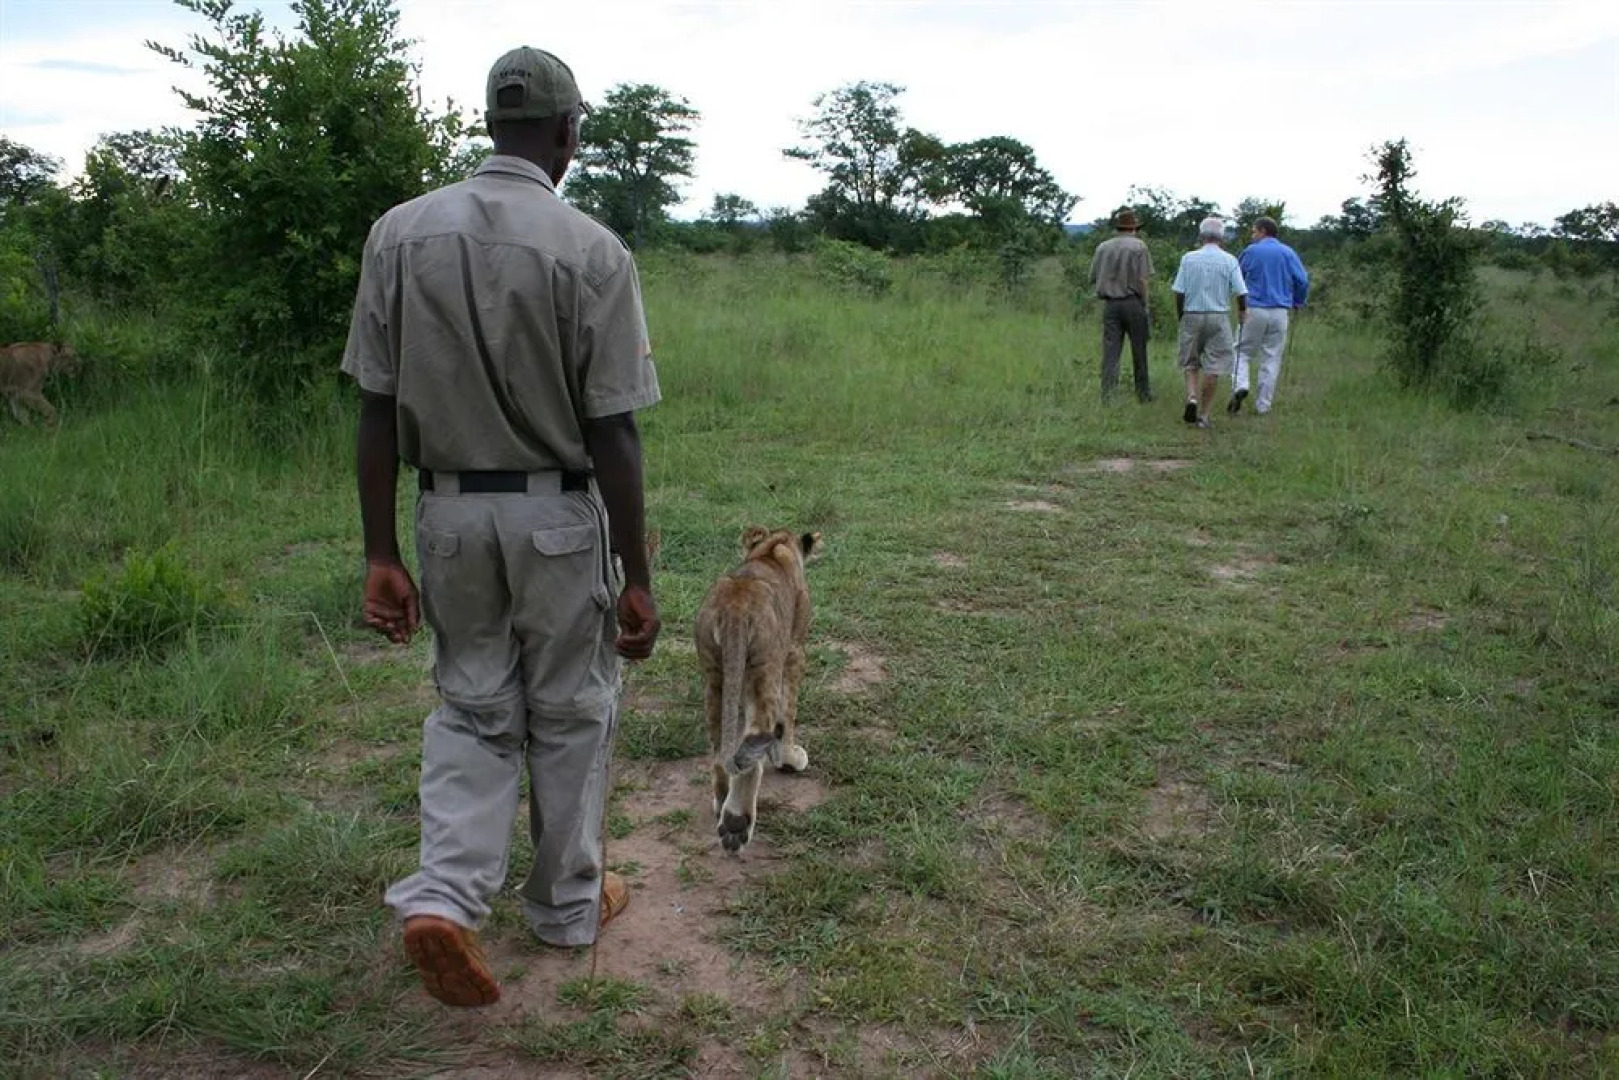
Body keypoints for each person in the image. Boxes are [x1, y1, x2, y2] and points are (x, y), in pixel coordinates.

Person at [340, 45, 663, 1008]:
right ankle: (567, 906)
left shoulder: (395, 235)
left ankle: (442, 897)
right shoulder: (591, 248)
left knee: (474, 708)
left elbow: (373, 409)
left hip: (442, 513)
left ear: (491, 123)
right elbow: (614, 430)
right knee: (570, 711)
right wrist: (634, 570)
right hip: (556, 517)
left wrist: (380, 553)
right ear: (569, 133)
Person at [1229, 216, 1309, 414]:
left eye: (1254, 231)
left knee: (1241, 351)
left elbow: (1237, 277)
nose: (1252, 235)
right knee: (1271, 357)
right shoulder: (1288, 252)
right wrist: (1297, 301)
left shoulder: (1251, 251)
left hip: (1254, 308)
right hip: (1280, 311)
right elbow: (1302, 281)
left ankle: (1241, 385)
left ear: (1263, 231)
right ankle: (1263, 405)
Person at [1171, 216, 1247, 428]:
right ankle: (1204, 416)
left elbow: (1179, 291)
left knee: (1190, 361)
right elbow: (1241, 291)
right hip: (1218, 316)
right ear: (1222, 238)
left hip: (1192, 313)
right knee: (1214, 366)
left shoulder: (1188, 258)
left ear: (1201, 236)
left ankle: (1192, 397)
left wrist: (1182, 316)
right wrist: (1242, 310)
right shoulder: (1230, 260)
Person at [1087, 209, 1156, 402]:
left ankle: (1108, 395)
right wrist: (1145, 304)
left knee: (1111, 351)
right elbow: (1143, 279)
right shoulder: (1139, 247)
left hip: (1110, 304)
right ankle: (1143, 393)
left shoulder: (1103, 247)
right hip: (1133, 302)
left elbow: (1092, 276)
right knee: (1139, 349)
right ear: (1134, 227)